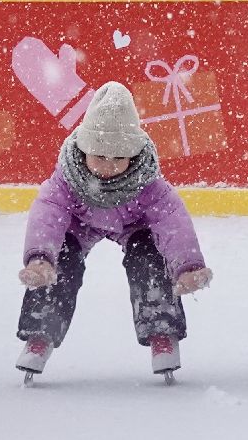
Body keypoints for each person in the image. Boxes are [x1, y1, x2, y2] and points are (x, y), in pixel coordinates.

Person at [15, 81, 211, 384]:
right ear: (84, 149)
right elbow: (48, 213)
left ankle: (162, 332)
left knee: (148, 256)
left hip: (133, 224)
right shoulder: (67, 177)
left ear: (132, 156)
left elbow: (173, 220)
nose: (109, 166)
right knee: (60, 264)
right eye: (100, 157)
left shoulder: (146, 181)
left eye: (119, 158)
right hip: (78, 225)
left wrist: (188, 266)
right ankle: (41, 334)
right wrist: (40, 258)